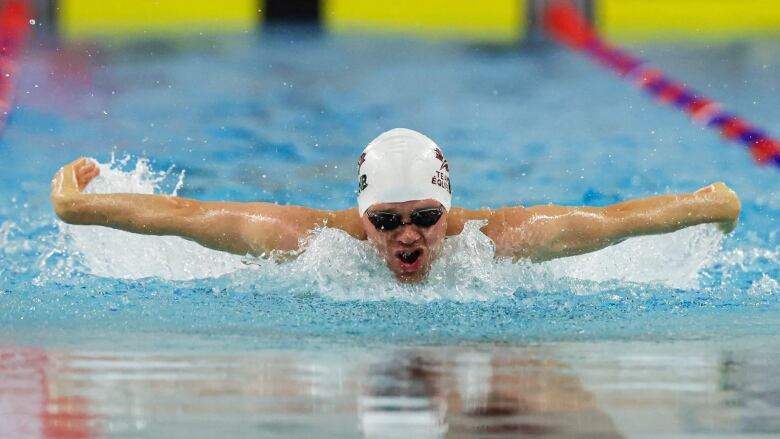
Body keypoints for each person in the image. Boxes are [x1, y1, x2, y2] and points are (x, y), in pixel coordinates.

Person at [51, 128, 741, 283]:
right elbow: (189, 217)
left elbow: (616, 222)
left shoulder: (502, 238)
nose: (407, 236)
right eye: (386, 220)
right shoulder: (310, 240)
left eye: (423, 217)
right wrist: (76, 206)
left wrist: (710, 205)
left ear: (451, 208)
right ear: (361, 217)